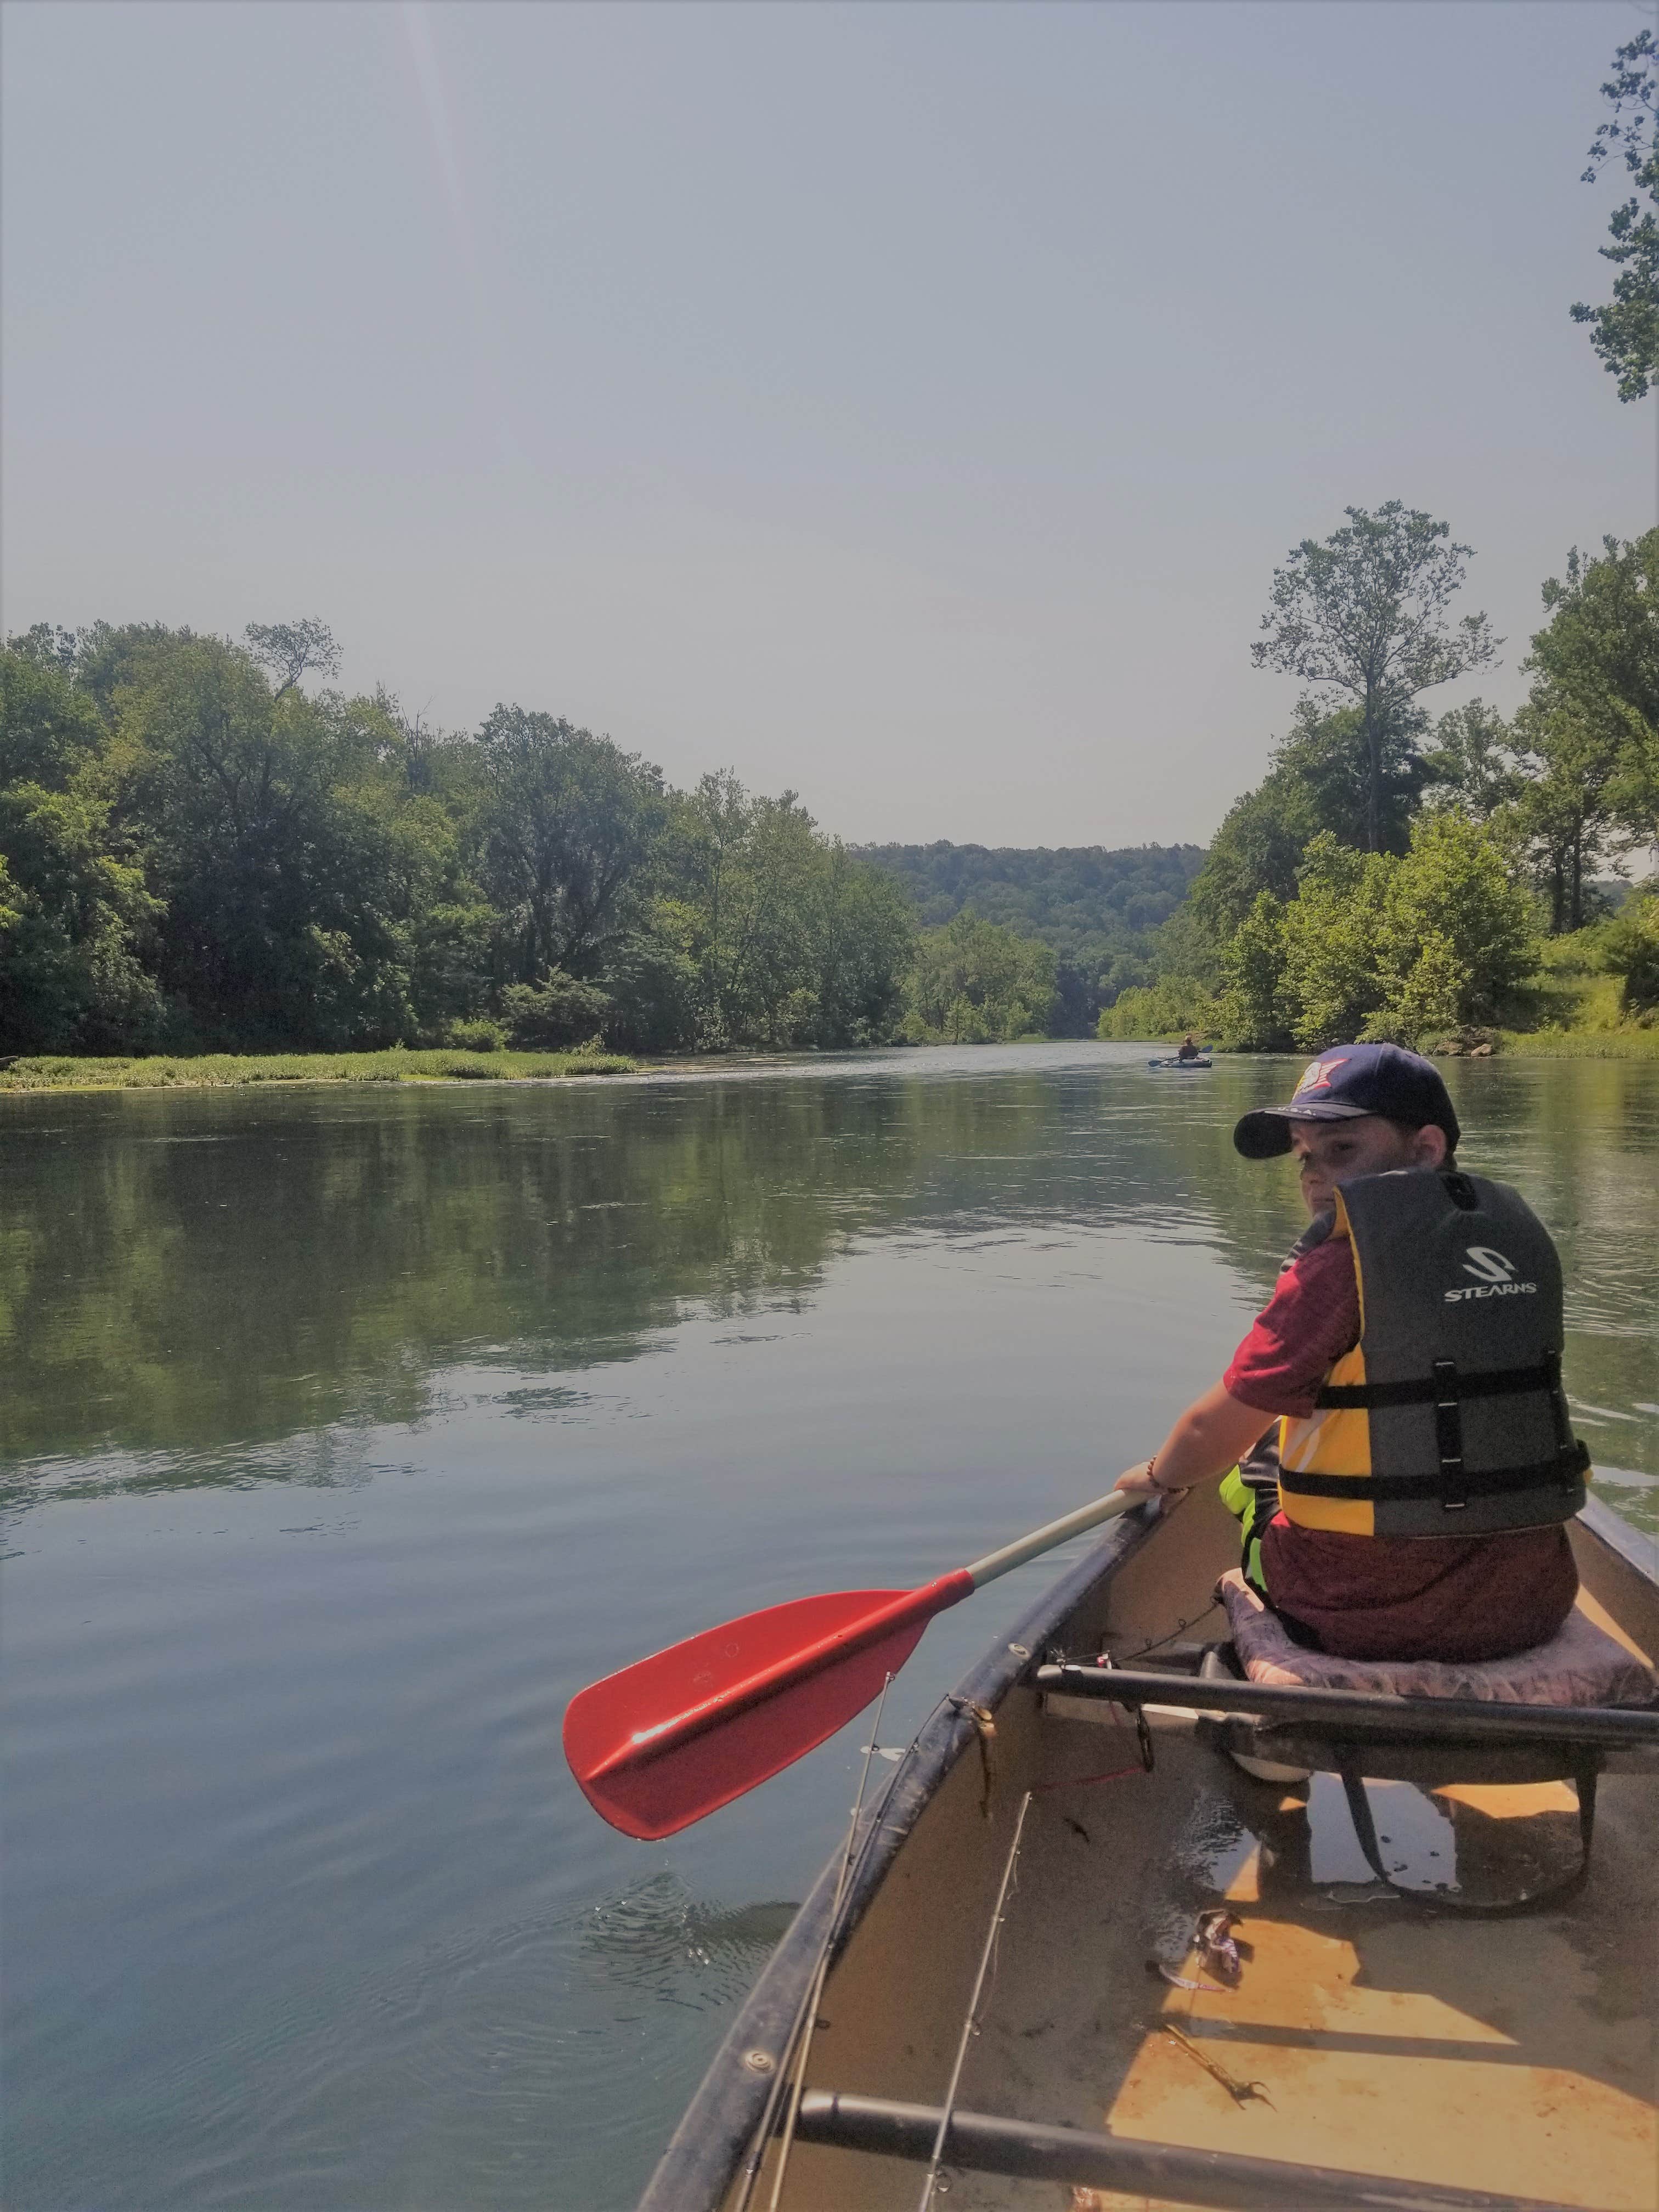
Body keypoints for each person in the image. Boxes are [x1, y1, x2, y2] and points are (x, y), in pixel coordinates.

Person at [1113, 1043, 1585, 1663]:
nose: (1313, 1174)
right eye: (1305, 1155)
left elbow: (1212, 1427)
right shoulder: (1520, 1237)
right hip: (1532, 1602)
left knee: (1250, 1465)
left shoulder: (1336, 1268)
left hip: (1355, 1614)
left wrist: (1156, 1477)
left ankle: (1254, 1715)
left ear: (1426, 1149)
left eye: (1342, 1150)